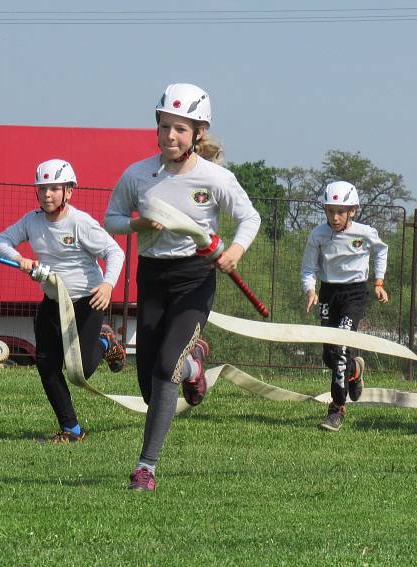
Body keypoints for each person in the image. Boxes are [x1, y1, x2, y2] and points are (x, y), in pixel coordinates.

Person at [105, 83, 261, 491]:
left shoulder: (216, 178)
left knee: (163, 369)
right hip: (152, 277)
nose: (170, 136)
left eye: (180, 129)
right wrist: (136, 224)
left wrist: (236, 251)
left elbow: (250, 219)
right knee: (148, 387)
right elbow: (112, 218)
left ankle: (146, 468)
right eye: (164, 127)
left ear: (198, 133)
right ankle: (194, 366)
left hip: (195, 278)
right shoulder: (137, 174)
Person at [0, 158, 126, 443]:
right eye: (42, 189)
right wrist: (20, 259)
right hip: (53, 303)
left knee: (82, 369)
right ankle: (72, 429)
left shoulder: (80, 223)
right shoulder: (32, 221)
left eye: (54, 188)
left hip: (87, 302)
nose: (47, 194)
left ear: (69, 191)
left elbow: (115, 252)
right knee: (46, 364)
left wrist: (107, 284)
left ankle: (105, 341)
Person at [301, 181, 389, 432]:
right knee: (329, 355)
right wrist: (310, 290)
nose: (335, 217)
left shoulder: (365, 232)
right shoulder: (317, 234)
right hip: (329, 293)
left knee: (340, 349)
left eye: (341, 211)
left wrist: (379, 281)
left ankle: (336, 408)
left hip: (355, 294)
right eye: (330, 211)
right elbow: (309, 267)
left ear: (353, 210)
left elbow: (381, 251)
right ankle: (354, 371)